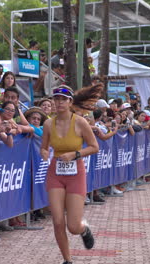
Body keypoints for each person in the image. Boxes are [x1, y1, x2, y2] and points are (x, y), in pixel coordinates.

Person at [40, 85, 100, 264]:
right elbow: (44, 147)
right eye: (56, 99)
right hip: (55, 172)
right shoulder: (48, 123)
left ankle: (84, 229)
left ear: (70, 102)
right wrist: (43, 152)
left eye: (63, 99)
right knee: (58, 221)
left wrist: (75, 154)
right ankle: (67, 260)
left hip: (76, 173)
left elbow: (94, 147)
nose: (59, 102)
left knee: (72, 226)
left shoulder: (80, 122)